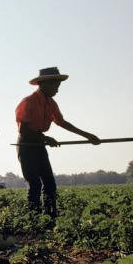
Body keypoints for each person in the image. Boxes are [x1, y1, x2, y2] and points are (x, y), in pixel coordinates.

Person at [15, 67, 100, 217]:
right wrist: (45, 138)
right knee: (34, 184)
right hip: (26, 145)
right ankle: (32, 218)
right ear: (43, 84)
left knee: (49, 183)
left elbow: (61, 122)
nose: (57, 90)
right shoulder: (28, 102)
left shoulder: (51, 103)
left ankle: (50, 215)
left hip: (39, 144)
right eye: (55, 86)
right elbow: (23, 130)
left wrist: (87, 135)